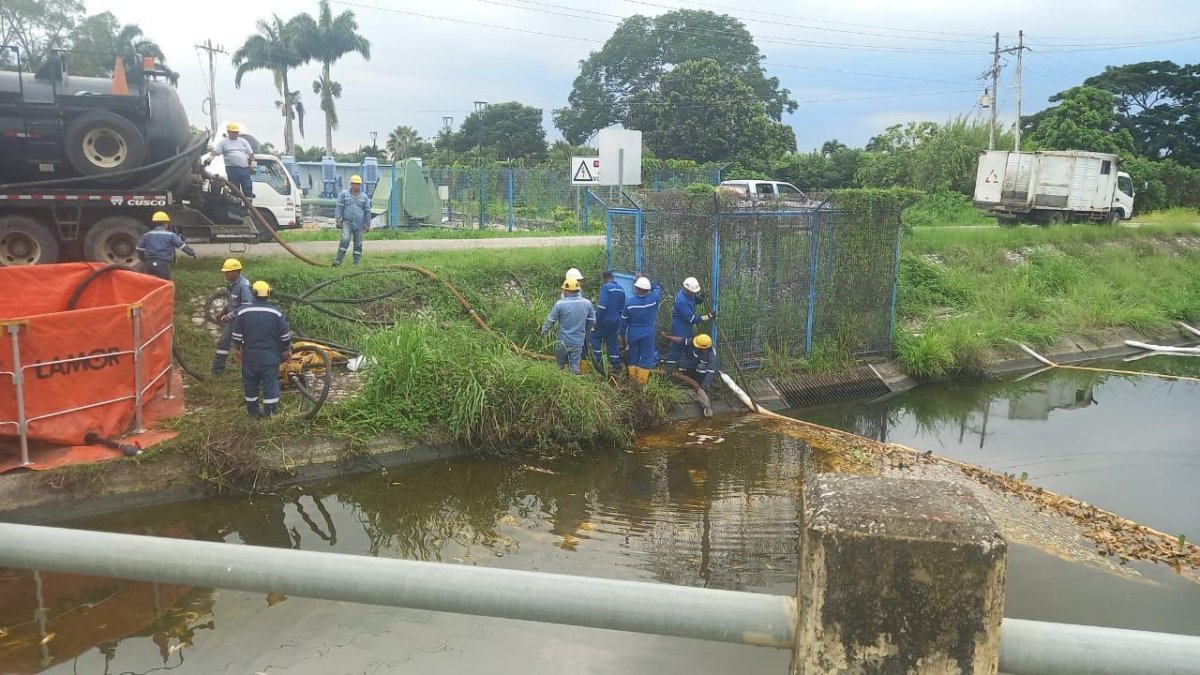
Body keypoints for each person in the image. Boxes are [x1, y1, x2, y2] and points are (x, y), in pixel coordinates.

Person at [231, 281, 292, 418]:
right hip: (270, 357)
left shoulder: (242, 312)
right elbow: (284, 336)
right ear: (268, 294)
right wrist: (287, 350)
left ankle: (253, 412)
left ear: (253, 293)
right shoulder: (276, 313)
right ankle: (270, 413)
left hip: (250, 357)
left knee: (250, 384)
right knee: (270, 384)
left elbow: (236, 336)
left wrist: (237, 350)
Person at [541, 278, 596, 375]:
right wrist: (584, 329)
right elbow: (592, 321)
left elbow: (551, 320)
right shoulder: (587, 303)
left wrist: (544, 331)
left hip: (562, 341)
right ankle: (574, 384)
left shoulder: (560, 304)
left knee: (560, 365)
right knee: (575, 366)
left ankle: (561, 382)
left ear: (567, 291)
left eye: (563, 289)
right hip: (577, 342)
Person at [211, 258, 254, 375]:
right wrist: (223, 312)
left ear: (236, 271)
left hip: (242, 323)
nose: (225, 274)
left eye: (227, 272)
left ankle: (249, 372)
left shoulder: (243, 286)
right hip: (233, 322)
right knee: (223, 344)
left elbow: (247, 305)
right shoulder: (232, 284)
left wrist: (230, 315)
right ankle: (217, 372)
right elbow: (232, 302)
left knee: (246, 347)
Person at [620, 275, 663, 384]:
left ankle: (632, 380)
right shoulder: (653, 299)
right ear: (647, 289)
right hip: (648, 333)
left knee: (633, 356)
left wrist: (621, 333)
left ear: (636, 288)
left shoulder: (629, 303)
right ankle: (640, 384)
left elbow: (623, 322)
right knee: (646, 357)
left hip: (633, 333)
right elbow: (657, 287)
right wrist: (646, 279)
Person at [666, 276, 714, 373]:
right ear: (687, 290)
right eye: (693, 292)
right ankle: (669, 373)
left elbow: (693, 300)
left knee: (690, 349)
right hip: (680, 328)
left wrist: (700, 299)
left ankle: (687, 371)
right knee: (676, 350)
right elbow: (691, 318)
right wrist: (707, 317)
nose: (694, 293)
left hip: (687, 328)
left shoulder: (688, 294)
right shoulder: (681, 301)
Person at [136, 211, 195, 280]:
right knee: (165, 283)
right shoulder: (170, 235)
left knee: (151, 282)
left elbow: (139, 249)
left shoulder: (147, 235)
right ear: (166, 224)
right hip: (163, 263)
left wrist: (144, 259)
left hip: (149, 263)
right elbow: (181, 245)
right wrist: (191, 253)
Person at [204, 122, 256, 199]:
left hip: (243, 168)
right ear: (228, 132)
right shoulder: (223, 142)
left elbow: (251, 153)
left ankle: (248, 203)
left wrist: (253, 164)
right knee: (234, 188)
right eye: (233, 132)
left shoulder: (243, 141)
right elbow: (215, 152)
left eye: (237, 132)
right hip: (231, 169)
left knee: (247, 186)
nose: (235, 134)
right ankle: (237, 202)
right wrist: (210, 159)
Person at [590, 270, 626, 374]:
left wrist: (596, 321)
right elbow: (622, 308)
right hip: (616, 321)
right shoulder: (621, 289)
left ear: (604, 279)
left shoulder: (606, 287)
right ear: (612, 277)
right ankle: (616, 365)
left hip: (605, 319)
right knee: (612, 341)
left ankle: (599, 363)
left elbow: (602, 306)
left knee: (595, 337)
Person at [333, 174, 371, 267]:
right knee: (345, 239)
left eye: (358, 184)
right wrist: (338, 220)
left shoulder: (364, 197)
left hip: (359, 224)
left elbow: (367, 211)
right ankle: (338, 261)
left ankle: (356, 263)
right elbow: (339, 207)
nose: (356, 186)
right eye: (354, 184)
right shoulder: (344, 194)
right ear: (351, 184)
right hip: (347, 222)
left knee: (358, 244)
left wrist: (368, 224)